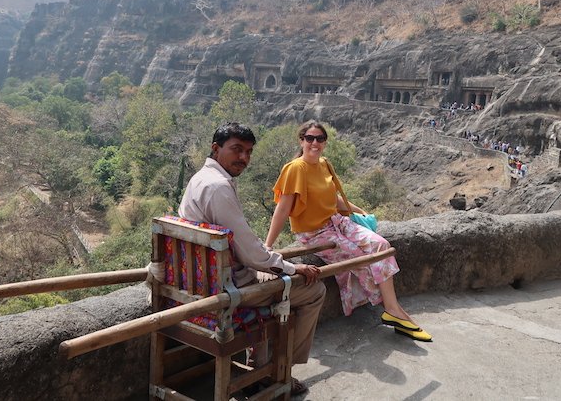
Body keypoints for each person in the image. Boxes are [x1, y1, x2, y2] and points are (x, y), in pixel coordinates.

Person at [178, 122, 326, 396]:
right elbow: (251, 253)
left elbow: (244, 247)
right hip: (226, 292)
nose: (243, 158)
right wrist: (294, 267)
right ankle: (278, 370)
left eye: (248, 152)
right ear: (216, 148)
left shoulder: (199, 179)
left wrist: (270, 261)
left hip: (199, 284)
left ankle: (258, 367)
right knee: (315, 289)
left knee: (270, 274)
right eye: (237, 150)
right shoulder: (219, 187)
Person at [266, 120, 432, 342]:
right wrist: (268, 245)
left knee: (381, 245)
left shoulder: (324, 164)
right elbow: (283, 209)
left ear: (325, 142)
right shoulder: (295, 169)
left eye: (320, 139)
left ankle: (392, 310)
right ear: (301, 140)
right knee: (362, 258)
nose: (315, 143)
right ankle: (396, 312)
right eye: (310, 138)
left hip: (337, 222)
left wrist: (356, 210)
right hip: (314, 232)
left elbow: (331, 199)